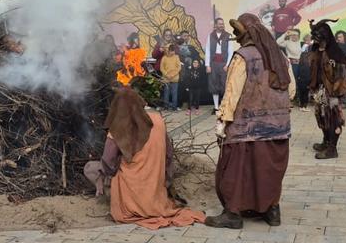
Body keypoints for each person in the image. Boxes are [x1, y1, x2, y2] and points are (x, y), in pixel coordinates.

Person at [206, 13, 295, 228]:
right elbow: (291, 91)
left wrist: (222, 120)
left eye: (238, 33)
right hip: (278, 127)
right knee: (267, 169)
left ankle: (233, 214)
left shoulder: (242, 56)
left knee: (236, 169)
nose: (237, 38)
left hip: (244, 126)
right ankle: (271, 210)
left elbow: (232, 93)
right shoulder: (280, 56)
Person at [85, 87, 204, 229]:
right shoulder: (158, 121)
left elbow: (108, 164)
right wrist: (167, 181)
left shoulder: (118, 127)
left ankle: (111, 197)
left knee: (90, 168)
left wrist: (106, 176)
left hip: (130, 198)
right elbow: (169, 156)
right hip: (157, 195)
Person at [308, 19, 346, 158]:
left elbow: (342, 74)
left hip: (332, 91)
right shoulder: (315, 50)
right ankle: (326, 142)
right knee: (321, 116)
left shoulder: (335, 52)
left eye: (317, 37)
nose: (315, 40)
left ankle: (332, 148)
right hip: (319, 90)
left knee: (333, 118)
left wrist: (335, 94)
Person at [206, 17, 231, 112]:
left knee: (224, 85)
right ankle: (216, 107)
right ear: (215, 25)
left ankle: (224, 107)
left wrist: (227, 64)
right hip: (213, 63)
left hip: (223, 63)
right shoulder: (210, 36)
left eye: (222, 24)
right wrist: (208, 65)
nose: (222, 25)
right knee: (214, 84)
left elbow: (230, 52)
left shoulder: (228, 36)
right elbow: (208, 50)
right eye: (220, 24)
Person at [275, 28, 305, 106]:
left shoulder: (301, 43)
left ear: (299, 36)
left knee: (300, 82)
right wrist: (285, 34)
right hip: (292, 65)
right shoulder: (287, 42)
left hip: (301, 65)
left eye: (296, 35)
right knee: (291, 82)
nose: (294, 37)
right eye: (293, 35)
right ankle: (289, 100)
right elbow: (277, 42)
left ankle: (298, 99)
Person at [159, 43, 181, 110]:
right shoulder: (164, 58)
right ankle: (166, 107)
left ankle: (174, 107)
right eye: (171, 50)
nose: (173, 52)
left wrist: (173, 75)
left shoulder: (176, 57)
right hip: (166, 79)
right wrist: (167, 75)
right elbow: (161, 68)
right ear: (168, 50)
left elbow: (179, 67)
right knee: (166, 94)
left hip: (175, 79)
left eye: (173, 50)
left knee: (174, 94)